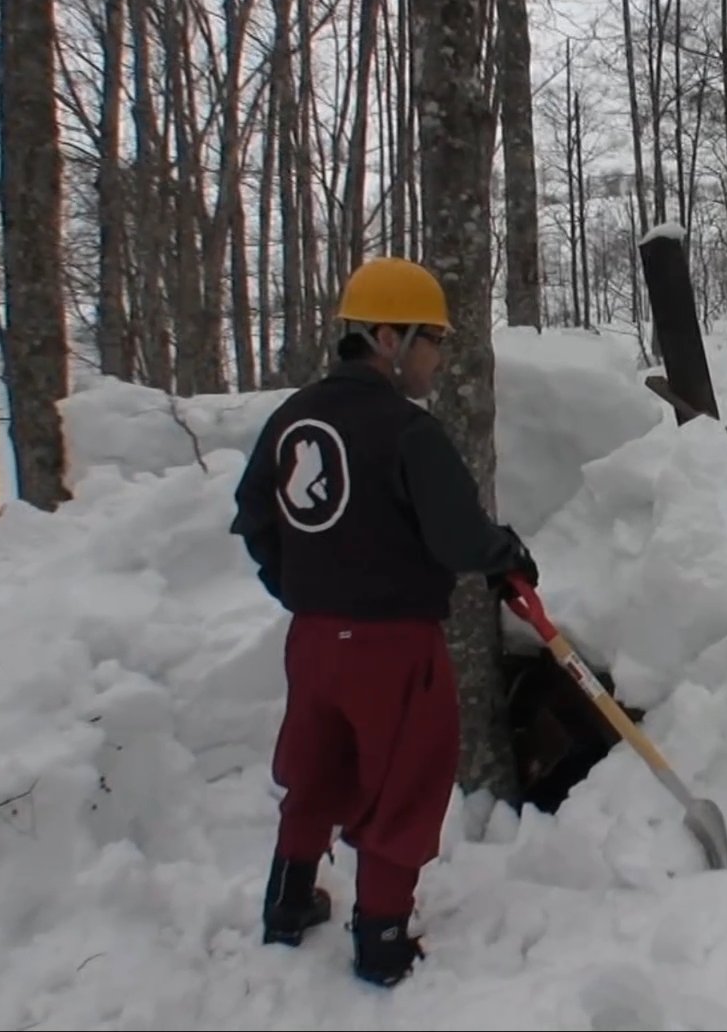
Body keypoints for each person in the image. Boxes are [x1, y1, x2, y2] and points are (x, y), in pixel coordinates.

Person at [229, 256, 540, 987]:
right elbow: (460, 536)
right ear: (389, 337)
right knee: (407, 783)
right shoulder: (408, 433)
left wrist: (298, 585)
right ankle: (382, 938)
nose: (438, 358)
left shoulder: (290, 419)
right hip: (396, 647)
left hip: (313, 643)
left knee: (316, 768)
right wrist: (506, 554)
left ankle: (287, 901)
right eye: (432, 340)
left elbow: (253, 517)